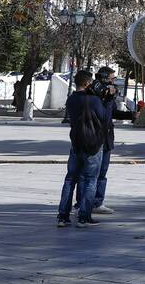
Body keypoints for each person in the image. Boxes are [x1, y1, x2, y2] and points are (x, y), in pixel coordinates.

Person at [57, 70, 110, 228]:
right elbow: (105, 119)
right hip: (92, 145)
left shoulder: (71, 99)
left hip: (76, 143)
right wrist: (107, 100)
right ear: (87, 83)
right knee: (90, 180)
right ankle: (84, 217)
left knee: (70, 179)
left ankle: (63, 216)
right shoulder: (93, 100)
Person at [88, 66, 136, 216]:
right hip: (95, 139)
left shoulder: (109, 97)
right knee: (90, 175)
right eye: (112, 79)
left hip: (107, 138)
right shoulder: (93, 95)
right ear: (104, 79)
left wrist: (131, 115)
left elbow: (113, 113)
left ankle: (97, 202)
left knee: (102, 173)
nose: (114, 83)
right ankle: (83, 204)